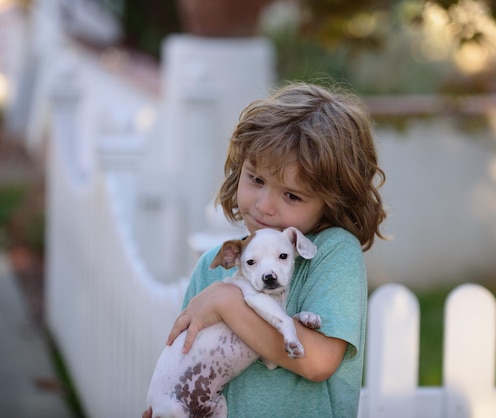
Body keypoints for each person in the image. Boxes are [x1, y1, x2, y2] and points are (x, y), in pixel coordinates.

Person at [144, 81, 387, 417]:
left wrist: (229, 302)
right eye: (256, 179)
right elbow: (186, 363)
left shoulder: (333, 253)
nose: (265, 206)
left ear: (331, 201)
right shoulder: (211, 268)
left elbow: (318, 362)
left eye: (292, 195)